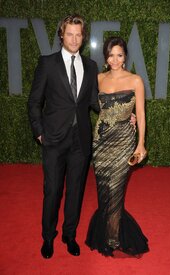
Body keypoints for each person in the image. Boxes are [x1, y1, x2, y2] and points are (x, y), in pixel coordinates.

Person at [28, 14, 100, 259]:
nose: (74, 38)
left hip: (80, 140)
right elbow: (35, 101)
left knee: (76, 191)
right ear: (61, 35)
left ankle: (70, 235)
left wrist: (121, 113)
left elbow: (94, 102)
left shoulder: (91, 66)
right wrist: (39, 132)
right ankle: (48, 237)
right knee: (53, 190)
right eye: (70, 33)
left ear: (83, 36)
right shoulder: (48, 63)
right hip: (54, 139)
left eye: (79, 34)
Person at [85, 36, 149, 257]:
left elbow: (140, 114)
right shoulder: (98, 78)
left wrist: (140, 144)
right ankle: (105, 232)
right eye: (111, 55)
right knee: (103, 191)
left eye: (119, 55)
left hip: (124, 141)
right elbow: (90, 104)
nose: (115, 59)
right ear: (105, 57)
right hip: (101, 141)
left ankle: (112, 239)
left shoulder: (135, 80)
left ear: (125, 57)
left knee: (116, 190)